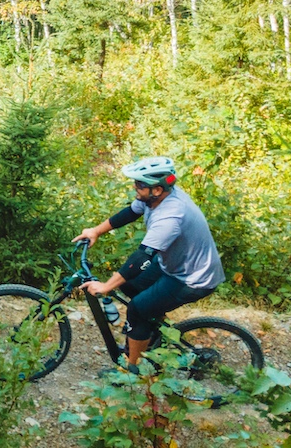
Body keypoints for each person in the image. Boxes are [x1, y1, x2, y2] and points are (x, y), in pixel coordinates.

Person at [72, 155, 226, 370]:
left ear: (158, 189)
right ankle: (151, 334)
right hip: (175, 266)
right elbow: (129, 213)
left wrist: (106, 286)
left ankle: (132, 368)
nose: (135, 188)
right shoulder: (155, 198)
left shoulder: (170, 217)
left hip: (193, 279)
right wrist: (95, 231)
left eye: (140, 185)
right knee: (129, 284)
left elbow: (141, 257)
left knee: (138, 308)